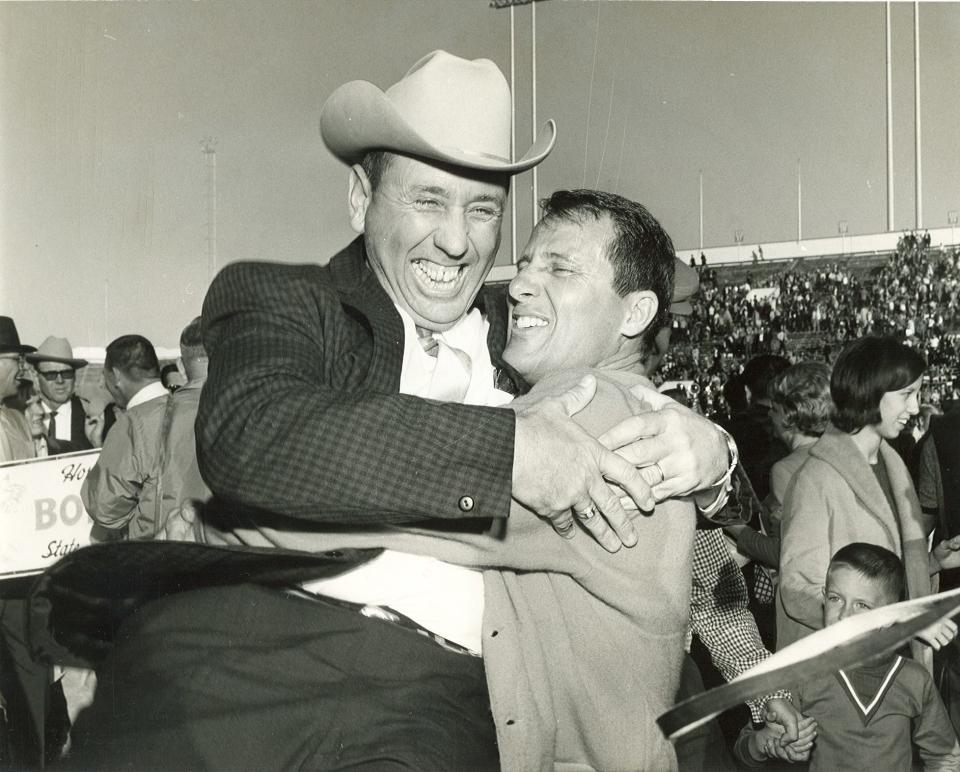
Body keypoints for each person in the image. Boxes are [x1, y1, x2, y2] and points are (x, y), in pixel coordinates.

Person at [55, 52, 734, 771]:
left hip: (438, 708)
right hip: (243, 666)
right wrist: (513, 454)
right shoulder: (291, 303)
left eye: (483, 211)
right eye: (427, 200)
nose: (457, 239)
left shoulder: (539, 358)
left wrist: (714, 455)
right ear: (360, 198)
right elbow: (255, 437)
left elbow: (611, 399)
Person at [778, 336, 958, 655]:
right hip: (841, 679)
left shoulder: (893, 464)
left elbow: (880, 579)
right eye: (906, 395)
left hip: (889, 667)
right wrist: (897, 619)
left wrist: (932, 562)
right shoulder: (817, 478)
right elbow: (798, 592)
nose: (915, 408)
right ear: (871, 392)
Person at [737, 543, 960, 771]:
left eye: (862, 605)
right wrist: (763, 743)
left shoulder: (915, 679)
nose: (844, 615)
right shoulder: (803, 673)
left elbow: (945, 756)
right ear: (824, 598)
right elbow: (745, 749)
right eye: (836, 598)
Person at [81, 318, 211, 540]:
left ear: (180, 366)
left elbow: (104, 507)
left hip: (163, 558)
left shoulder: (139, 422)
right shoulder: (253, 412)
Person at [725, 361, 833, 570]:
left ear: (791, 416)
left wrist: (735, 528)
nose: (769, 415)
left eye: (774, 409)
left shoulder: (785, 470)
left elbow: (784, 554)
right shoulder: (839, 452)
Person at [25, 336, 92, 453]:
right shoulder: (23, 418)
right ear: (36, 378)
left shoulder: (92, 416)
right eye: (51, 374)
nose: (60, 381)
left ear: (75, 376)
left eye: (67, 373)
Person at [99, 334, 167, 411]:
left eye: (105, 376)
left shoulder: (128, 422)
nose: (102, 385)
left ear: (116, 375)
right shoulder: (181, 406)